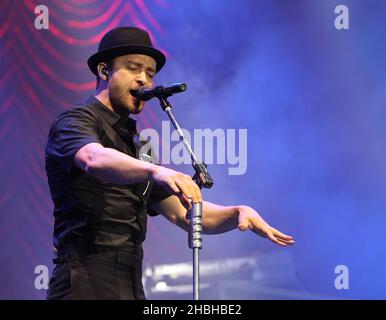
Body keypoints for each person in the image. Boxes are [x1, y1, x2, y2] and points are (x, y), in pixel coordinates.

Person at [45, 26, 294, 300]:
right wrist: (158, 171)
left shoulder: (141, 146)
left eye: (150, 73)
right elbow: (93, 158)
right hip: (84, 276)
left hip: (130, 280)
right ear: (104, 71)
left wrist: (236, 213)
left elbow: (180, 214)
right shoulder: (75, 121)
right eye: (133, 68)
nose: (143, 80)